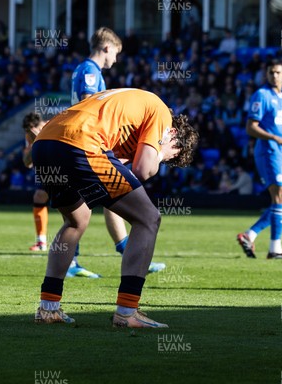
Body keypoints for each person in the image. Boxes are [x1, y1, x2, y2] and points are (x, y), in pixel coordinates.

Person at [32, 88, 198, 327]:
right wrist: (158, 156)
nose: (166, 160)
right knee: (149, 219)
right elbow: (143, 169)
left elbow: (115, 164)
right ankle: (127, 311)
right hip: (81, 143)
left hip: (46, 144)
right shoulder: (161, 114)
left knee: (76, 220)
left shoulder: (130, 107)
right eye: (172, 156)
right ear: (173, 134)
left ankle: (48, 307)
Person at [71, 27, 165, 275]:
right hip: (86, 141)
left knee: (100, 197)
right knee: (92, 199)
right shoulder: (90, 71)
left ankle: (122, 249)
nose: (115, 59)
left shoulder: (84, 69)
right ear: (106, 48)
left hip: (81, 140)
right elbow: (87, 105)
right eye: (115, 53)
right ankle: (75, 260)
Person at [236, 60, 282, 260]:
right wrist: (275, 138)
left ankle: (250, 235)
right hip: (268, 152)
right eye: (271, 72)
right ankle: (274, 249)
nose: (274, 76)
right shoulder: (261, 95)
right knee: (279, 199)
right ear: (266, 74)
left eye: (278, 72)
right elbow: (251, 127)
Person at [22, 113, 101, 278]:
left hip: (68, 167)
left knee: (72, 216)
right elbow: (27, 162)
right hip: (51, 171)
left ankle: (71, 260)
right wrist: (34, 143)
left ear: (39, 125)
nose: (30, 134)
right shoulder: (30, 134)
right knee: (47, 201)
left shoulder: (54, 125)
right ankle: (45, 243)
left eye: (32, 131)